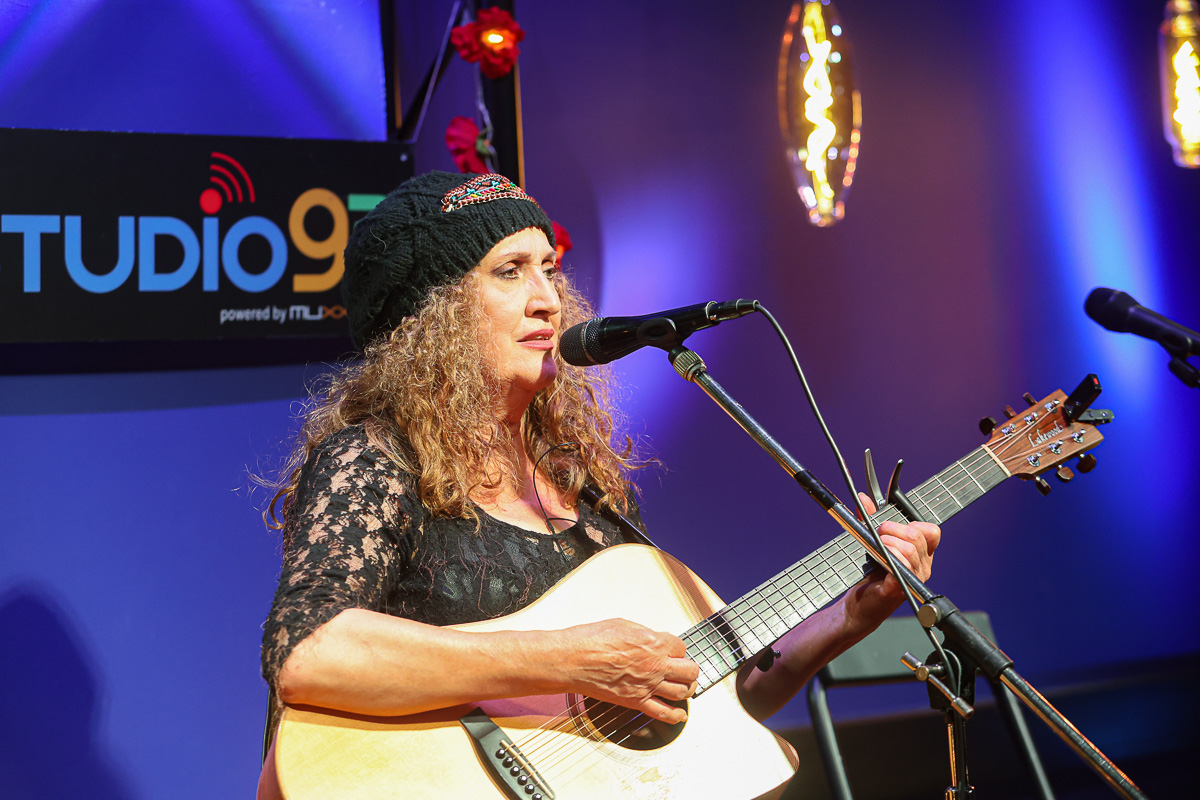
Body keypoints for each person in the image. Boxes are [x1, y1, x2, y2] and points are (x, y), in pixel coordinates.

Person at [257, 171, 939, 797]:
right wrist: (568, 660)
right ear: (432, 316)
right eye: (510, 272)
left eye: (550, 269)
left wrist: (848, 617)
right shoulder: (375, 459)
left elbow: (694, 699)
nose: (548, 300)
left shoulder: (582, 487)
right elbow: (310, 650)